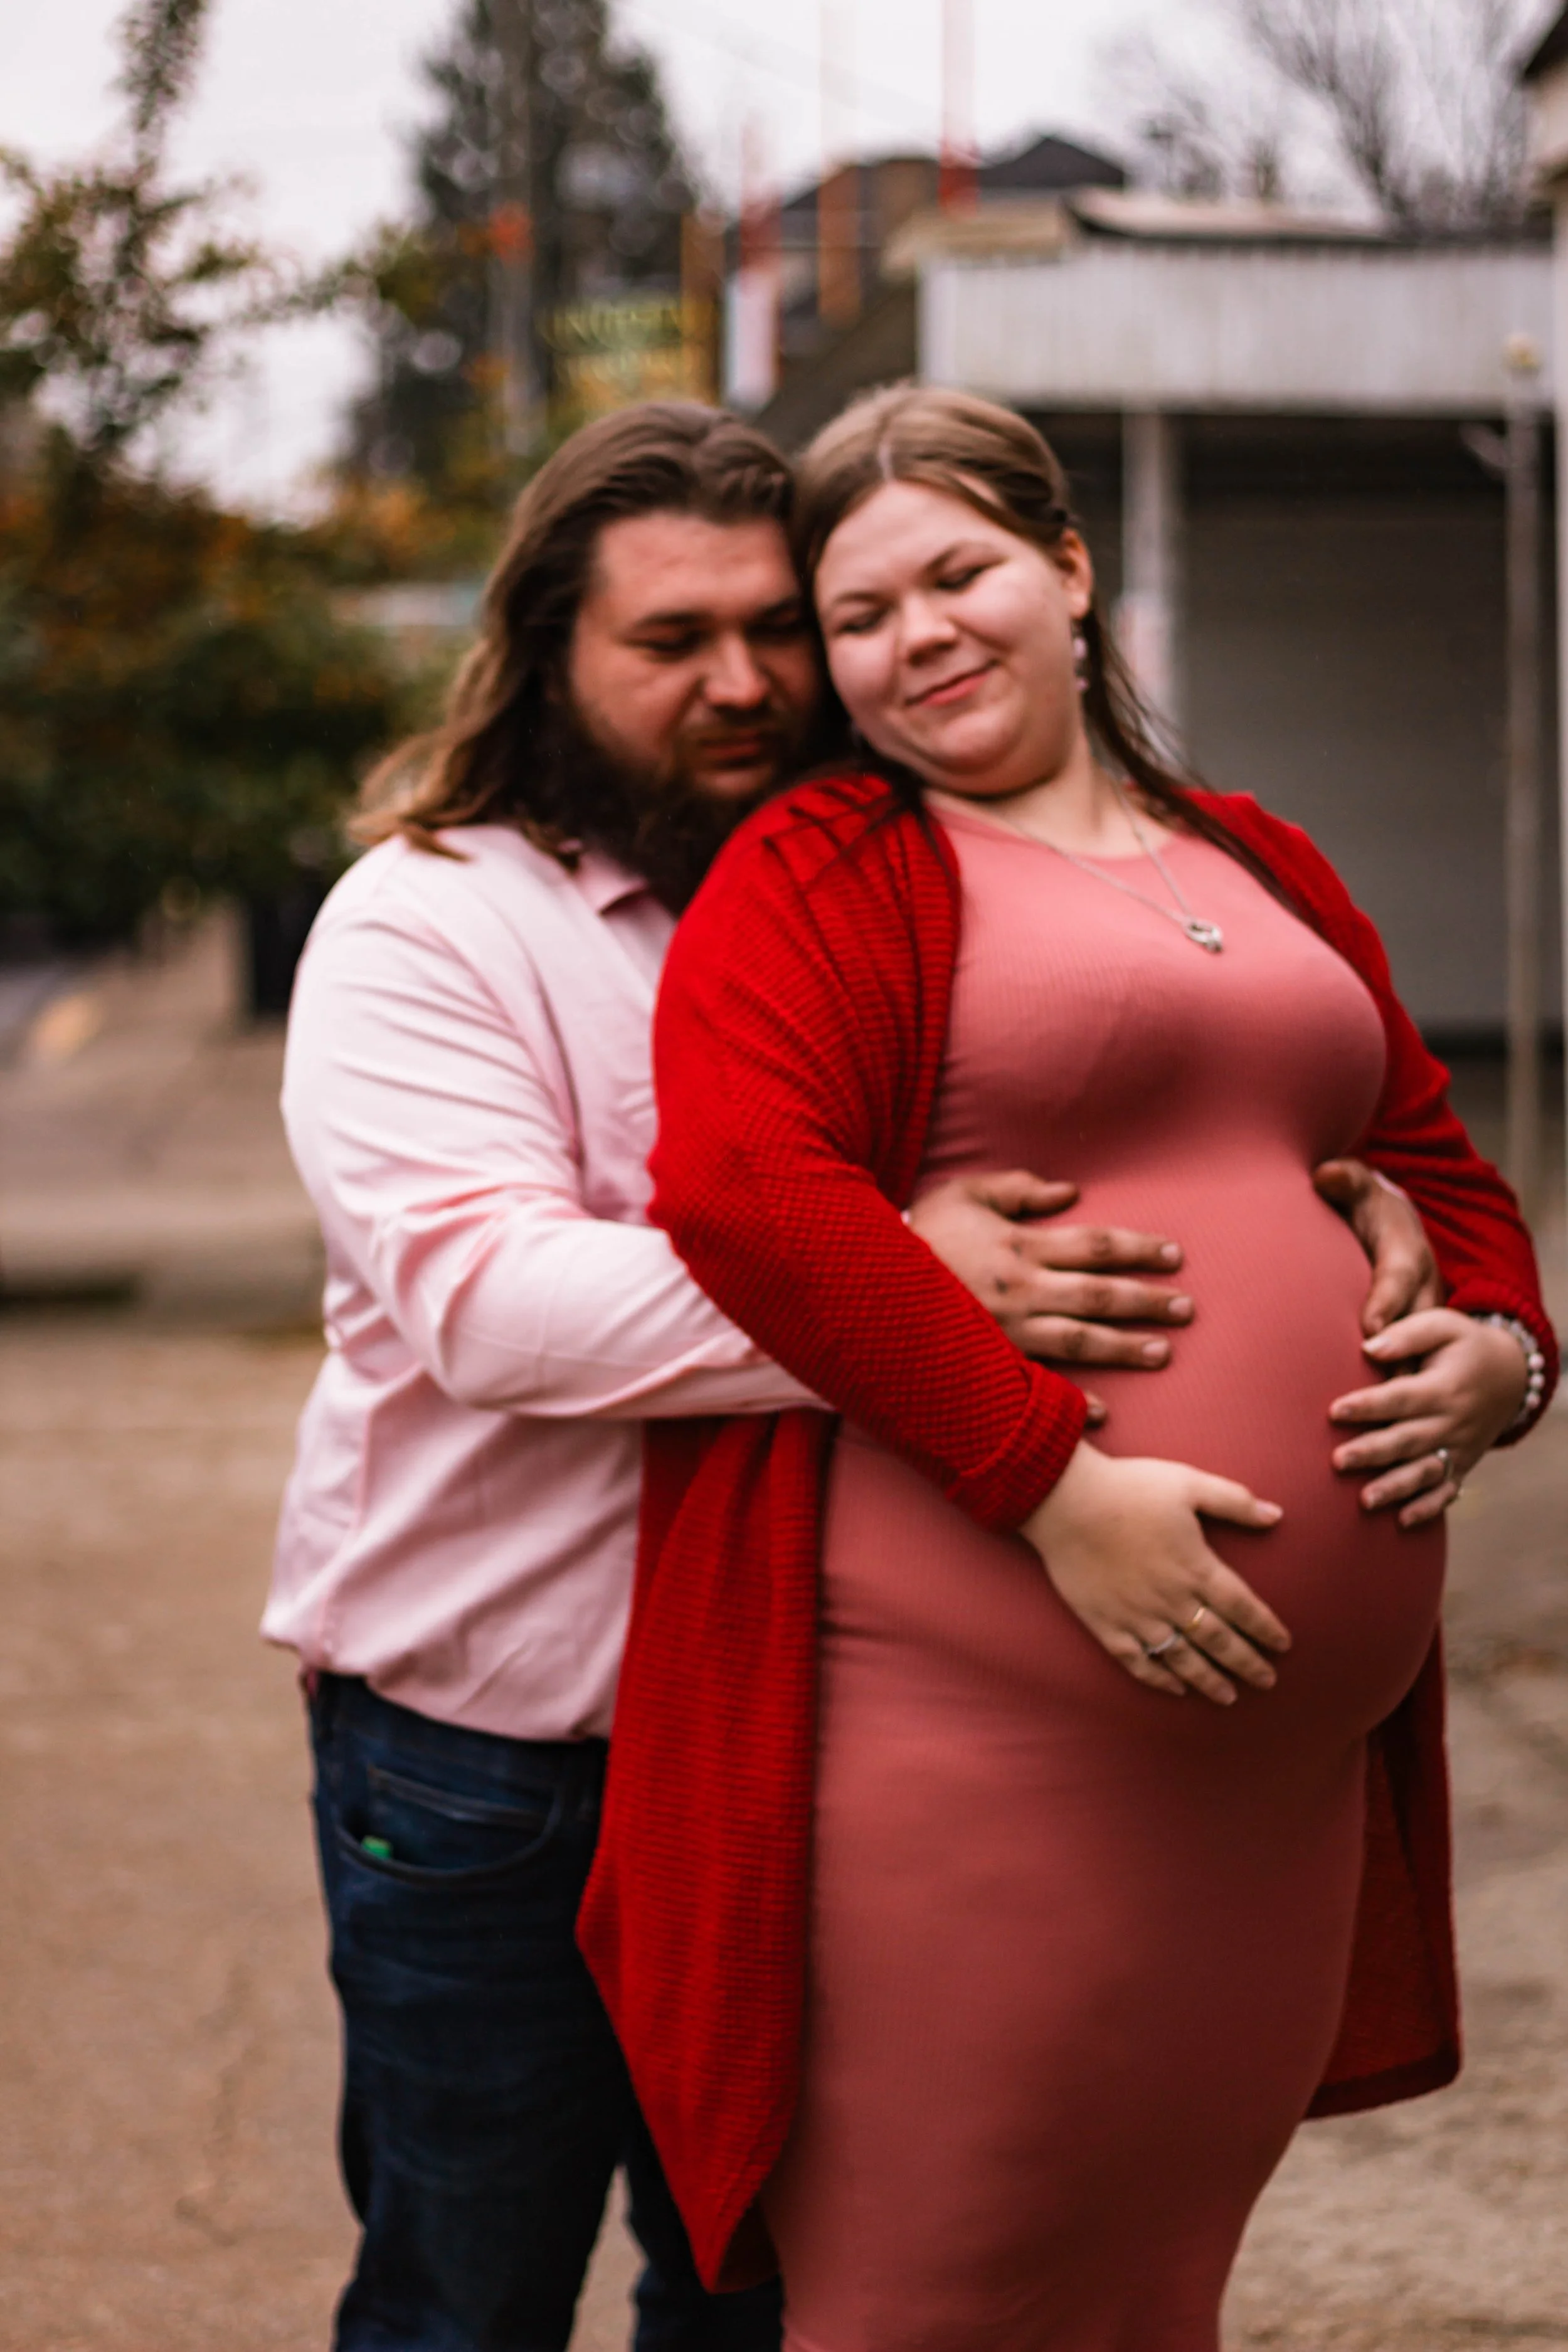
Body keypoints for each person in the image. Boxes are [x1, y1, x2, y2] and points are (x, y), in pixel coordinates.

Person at [267, 403, 1436, 2352]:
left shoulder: (886, 884)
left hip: (802, 1735)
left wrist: (1367, 1223)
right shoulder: (434, 919)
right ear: (547, 649)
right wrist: (906, 1300)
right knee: (469, 2290)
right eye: (668, 643)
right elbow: (493, 1302)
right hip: (505, 1746)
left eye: (774, 630)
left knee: (750, 2287)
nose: (741, 683)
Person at [580, 387, 1557, 2352]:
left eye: (958, 573)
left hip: (1260, 1786)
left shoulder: (1249, 846)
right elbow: (745, 1195)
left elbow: (1441, 1161)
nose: (917, 634)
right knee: (933, 2291)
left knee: (1148, 2287)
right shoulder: (825, 860)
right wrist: (1055, 1485)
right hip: (967, 1732)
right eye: (861, 616)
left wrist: (1504, 1348)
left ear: (1069, 570)